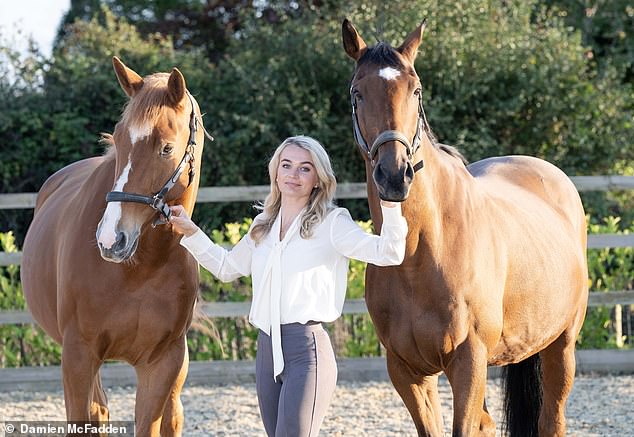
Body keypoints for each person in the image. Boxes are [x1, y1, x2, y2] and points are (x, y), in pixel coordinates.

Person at [169, 135, 407, 437]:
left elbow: (389, 253)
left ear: (318, 179)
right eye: (287, 165)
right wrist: (191, 232)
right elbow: (227, 268)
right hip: (266, 350)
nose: (293, 175)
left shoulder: (333, 223)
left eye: (305, 168)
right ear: (276, 172)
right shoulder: (262, 224)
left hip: (306, 353)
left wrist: (390, 205)